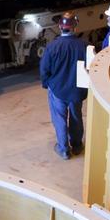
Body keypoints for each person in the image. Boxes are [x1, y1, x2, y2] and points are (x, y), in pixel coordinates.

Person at [39, 13, 89, 159]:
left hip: (58, 89)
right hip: (77, 90)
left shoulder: (53, 46)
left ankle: (63, 150)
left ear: (60, 27)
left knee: (59, 118)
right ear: (75, 27)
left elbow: (44, 69)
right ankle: (77, 146)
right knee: (76, 117)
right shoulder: (84, 45)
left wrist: (46, 83)